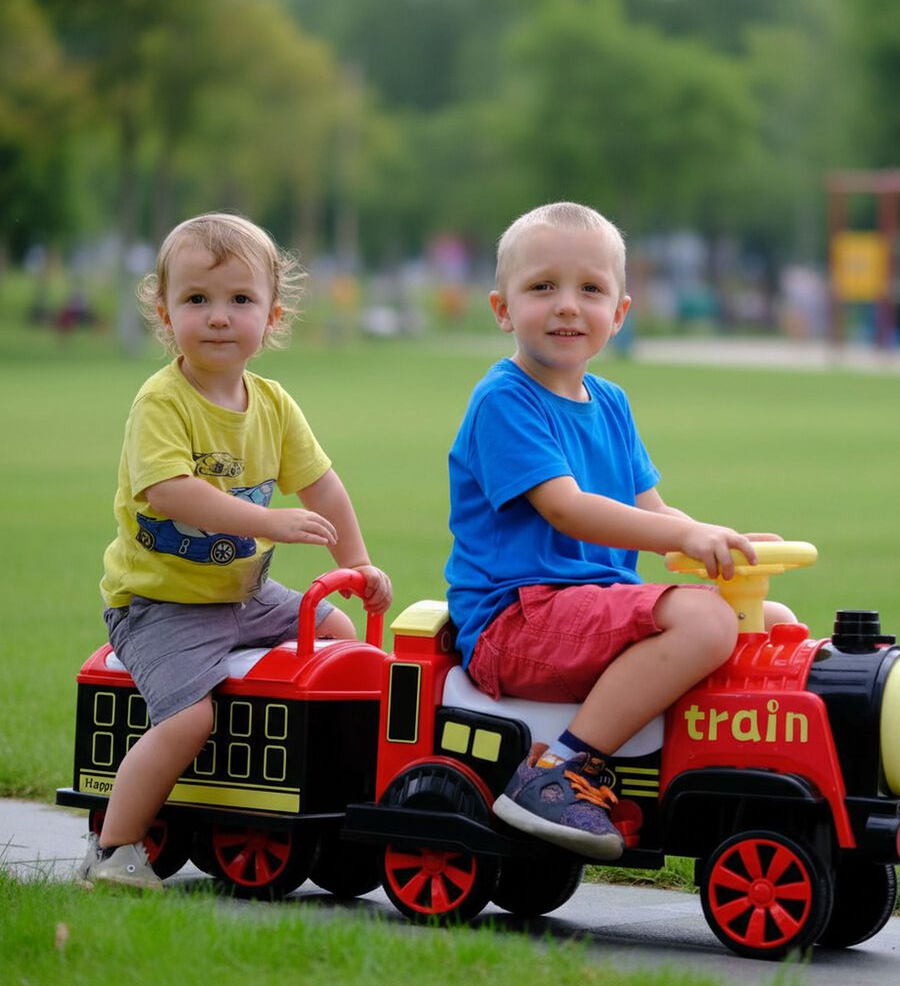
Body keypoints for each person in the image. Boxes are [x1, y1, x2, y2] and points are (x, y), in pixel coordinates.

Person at [445, 202, 792, 861]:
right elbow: (567, 509)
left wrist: (722, 541)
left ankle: (739, 774)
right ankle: (559, 772)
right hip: (517, 620)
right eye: (543, 287)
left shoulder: (610, 402)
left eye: (590, 289)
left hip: (585, 610)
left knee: (764, 616)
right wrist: (679, 542)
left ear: (620, 313)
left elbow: (653, 510)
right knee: (705, 623)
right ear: (502, 308)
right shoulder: (504, 400)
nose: (568, 306)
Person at [79, 212, 392, 889]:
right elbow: (170, 493)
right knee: (191, 717)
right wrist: (271, 523)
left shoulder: (274, 405)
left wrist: (358, 563)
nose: (219, 317)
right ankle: (115, 849)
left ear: (272, 315)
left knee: (341, 640)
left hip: (242, 594)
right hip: (160, 604)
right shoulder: (162, 401)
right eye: (197, 300)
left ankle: (337, 790)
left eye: (240, 300)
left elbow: (324, 487)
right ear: (165, 314)